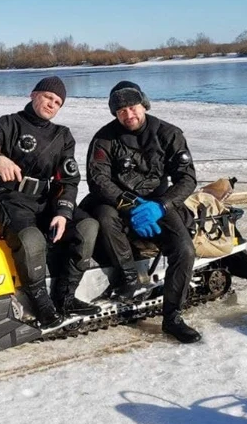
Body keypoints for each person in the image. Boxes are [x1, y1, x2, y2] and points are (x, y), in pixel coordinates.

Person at [0, 76, 99, 331]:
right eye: (48, 97)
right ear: (33, 95)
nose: (52, 104)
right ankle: (41, 304)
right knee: (31, 239)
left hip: (45, 199)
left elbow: (69, 179)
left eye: (58, 102)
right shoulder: (6, 124)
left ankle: (65, 297)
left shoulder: (62, 136)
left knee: (87, 227)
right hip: (6, 196)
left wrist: (64, 212)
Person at [80, 81, 201, 344]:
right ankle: (129, 279)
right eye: (121, 111)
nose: (128, 115)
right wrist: (131, 205)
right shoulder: (104, 138)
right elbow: (98, 181)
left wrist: (161, 206)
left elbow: (187, 179)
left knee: (184, 250)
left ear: (143, 105)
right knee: (102, 215)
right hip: (115, 202)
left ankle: (173, 318)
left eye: (132, 107)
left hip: (158, 203)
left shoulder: (169, 134)